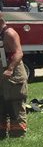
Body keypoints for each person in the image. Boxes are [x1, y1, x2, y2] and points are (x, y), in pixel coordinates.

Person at [0, 11, 27, 139]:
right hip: (1, 72)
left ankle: (17, 135)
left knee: (15, 103)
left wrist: (10, 69)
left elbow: (18, 53)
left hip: (13, 73)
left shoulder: (9, 33)